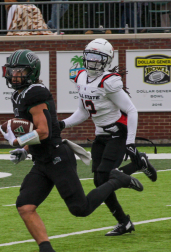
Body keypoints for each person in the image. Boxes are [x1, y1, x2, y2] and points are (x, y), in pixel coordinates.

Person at [0, 49, 143, 252]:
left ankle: (117, 180)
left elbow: (44, 131)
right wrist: (25, 150)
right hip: (42, 160)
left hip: (57, 157)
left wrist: (19, 141)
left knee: (80, 209)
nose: (14, 75)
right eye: (12, 70)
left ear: (31, 72)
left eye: (19, 71)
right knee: (25, 206)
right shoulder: (20, 93)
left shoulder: (35, 93)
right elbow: (38, 133)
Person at [59, 38, 157, 236]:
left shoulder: (109, 81)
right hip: (101, 135)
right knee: (99, 180)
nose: (93, 61)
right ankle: (124, 222)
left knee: (106, 175)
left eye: (98, 58)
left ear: (107, 60)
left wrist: (130, 142)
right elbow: (84, 113)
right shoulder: (80, 77)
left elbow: (131, 110)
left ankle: (136, 165)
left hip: (118, 134)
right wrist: (62, 124)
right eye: (91, 56)